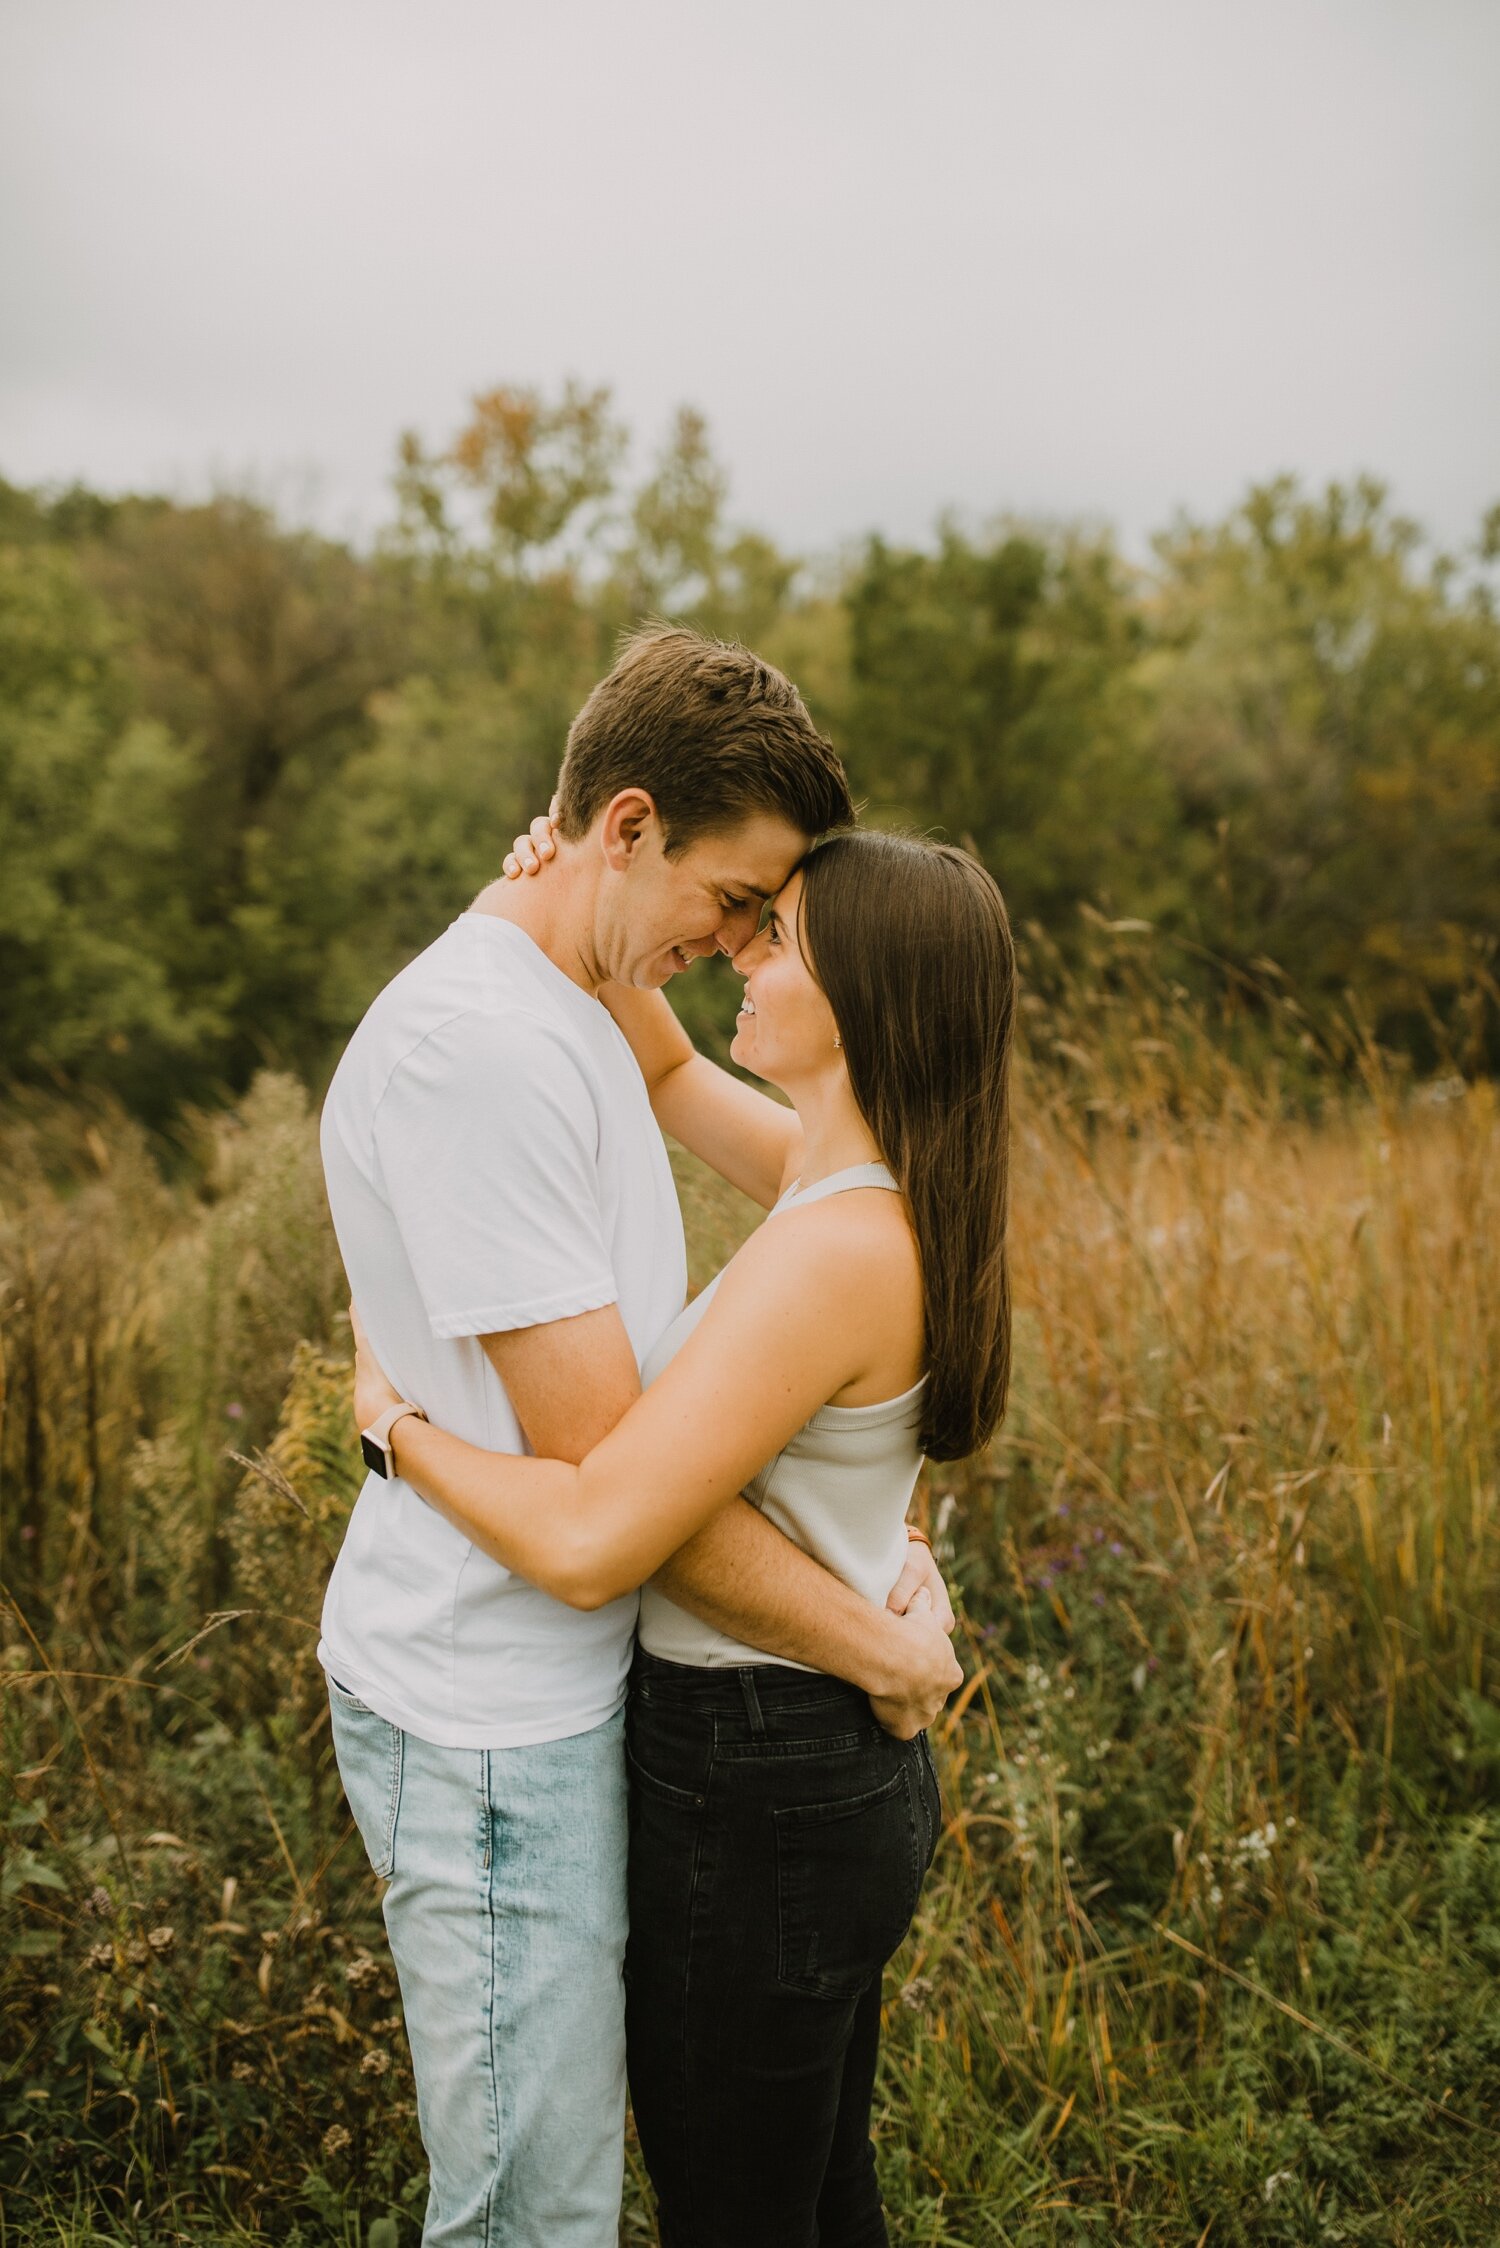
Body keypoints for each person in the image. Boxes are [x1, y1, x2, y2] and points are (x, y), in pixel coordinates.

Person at [318, 626, 961, 2248]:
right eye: (736, 900)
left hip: (669, 1725)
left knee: (695, 2194)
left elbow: (619, 1512)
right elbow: (619, 1500)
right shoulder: (511, 1052)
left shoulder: (796, 1184)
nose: (742, 942)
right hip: (518, 1716)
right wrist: (877, 1641)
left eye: (776, 923)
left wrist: (392, 1428)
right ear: (623, 827)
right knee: (610, 2209)